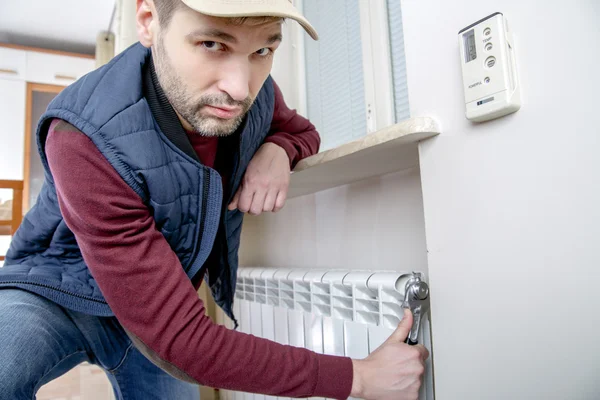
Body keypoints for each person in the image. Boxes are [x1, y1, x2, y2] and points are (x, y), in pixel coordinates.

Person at [0, 0, 429, 399]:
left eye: (263, 50)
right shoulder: (82, 135)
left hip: (159, 298)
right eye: (211, 44)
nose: (241, 88)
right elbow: (183, 340)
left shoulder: (253, 89)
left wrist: (278, 149)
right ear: (149, 21)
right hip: (56, 291)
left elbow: (302, 130)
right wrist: (362, 377)